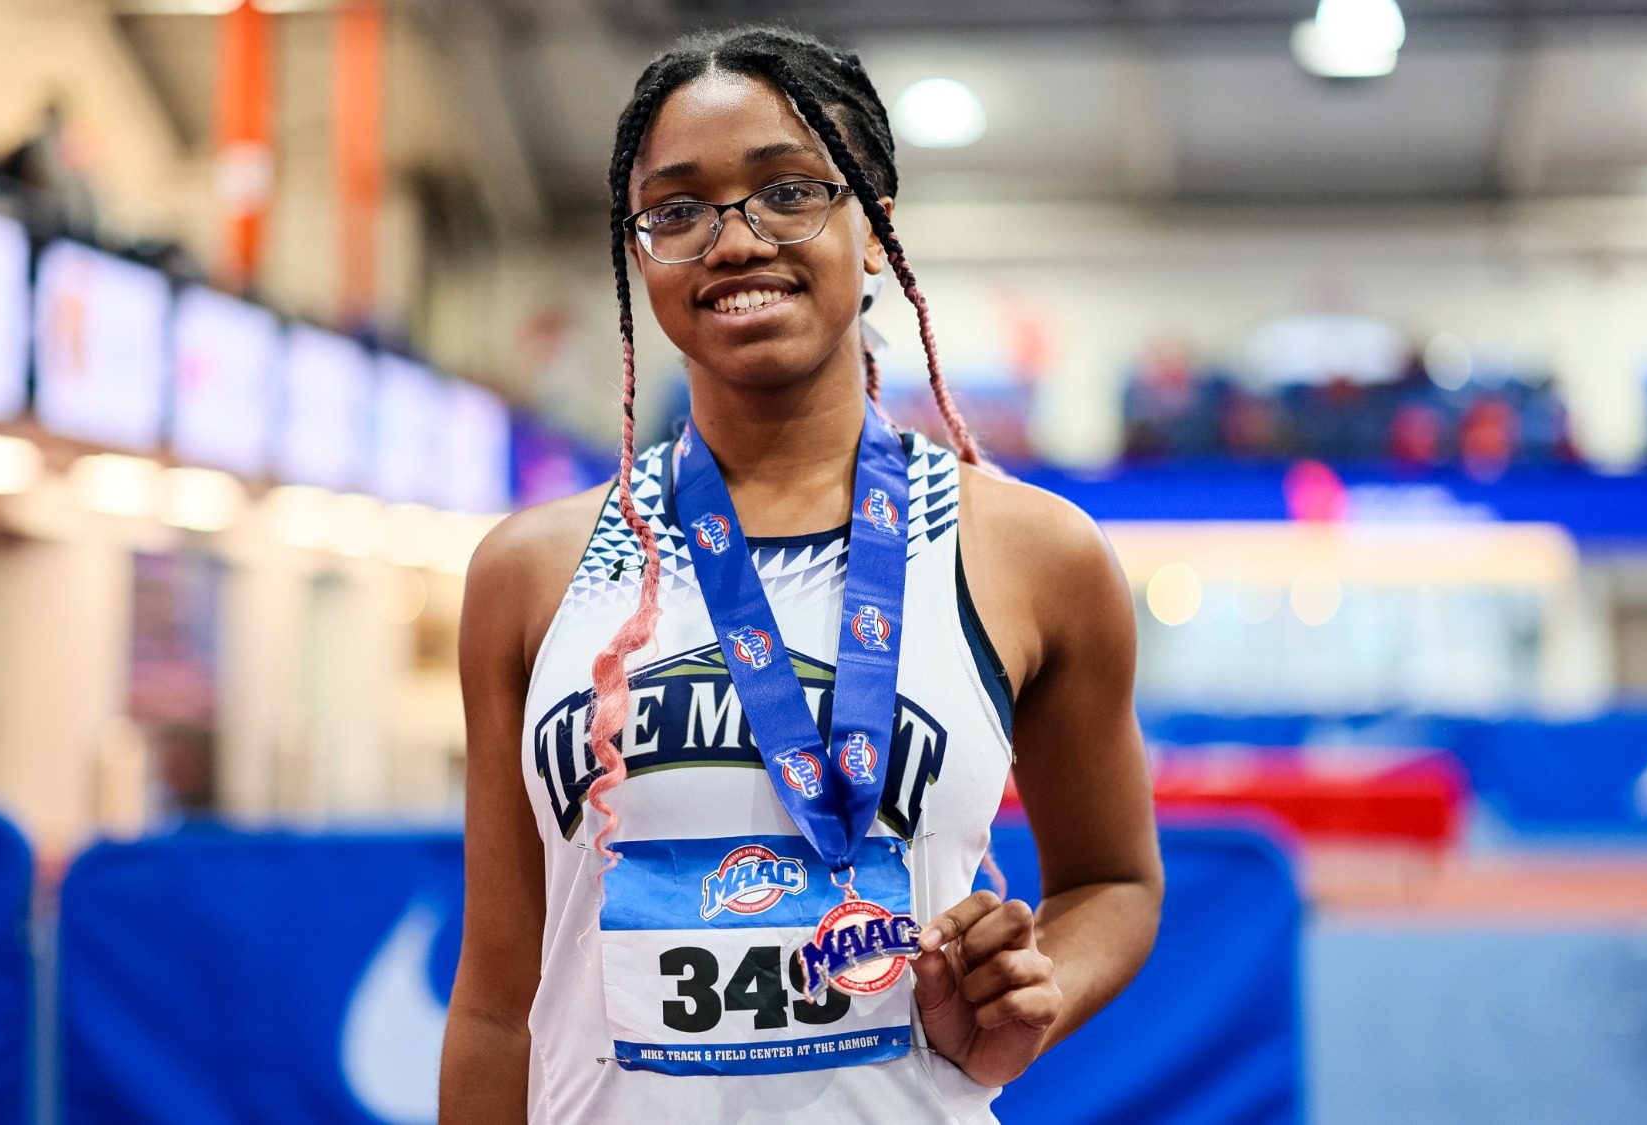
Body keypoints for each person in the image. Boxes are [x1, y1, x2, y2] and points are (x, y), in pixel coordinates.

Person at [444, 26, 1161, 1124]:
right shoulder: (528, 575)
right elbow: (498, 1002)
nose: (733, 241)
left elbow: (1113, 883)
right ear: (639, 255)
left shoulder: (1029, 554)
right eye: (676, 210)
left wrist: (1033, 986)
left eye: (787, 191)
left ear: (873, 228)